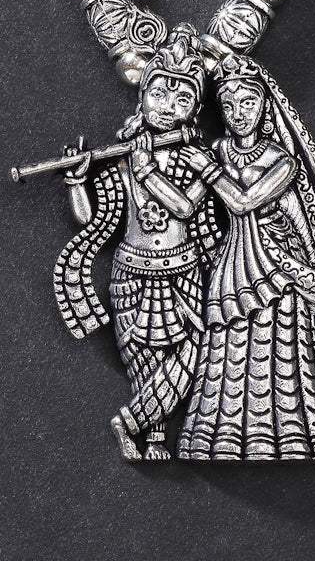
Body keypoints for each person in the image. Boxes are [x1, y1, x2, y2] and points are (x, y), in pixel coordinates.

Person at [53, 24, 222, 461]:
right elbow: (92, 219)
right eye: (159, 94)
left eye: (182, 99)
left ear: (196, 109)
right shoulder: (121, 160)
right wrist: (76, 182)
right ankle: (155, 437)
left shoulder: (198, 160)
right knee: (142, 361)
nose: (167, 107)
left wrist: (147, 168)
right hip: (130, 273)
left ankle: (128, 421)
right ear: (142, 96)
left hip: (185, 273)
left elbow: (186, 208)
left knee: (193, 353)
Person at [176, 51, 315, 462]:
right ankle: (217, 440)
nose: (238, 114)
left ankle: (293, 438)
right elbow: (187, 207)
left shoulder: (281, 160)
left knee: (281, 347)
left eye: (248, 103)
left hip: (276, 263)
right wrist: (150, 164)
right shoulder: (218, 150)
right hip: (230, 264)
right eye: (228, 105)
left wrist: (208, 169)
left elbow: (243, 202)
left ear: (264, 106)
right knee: (227, 348)